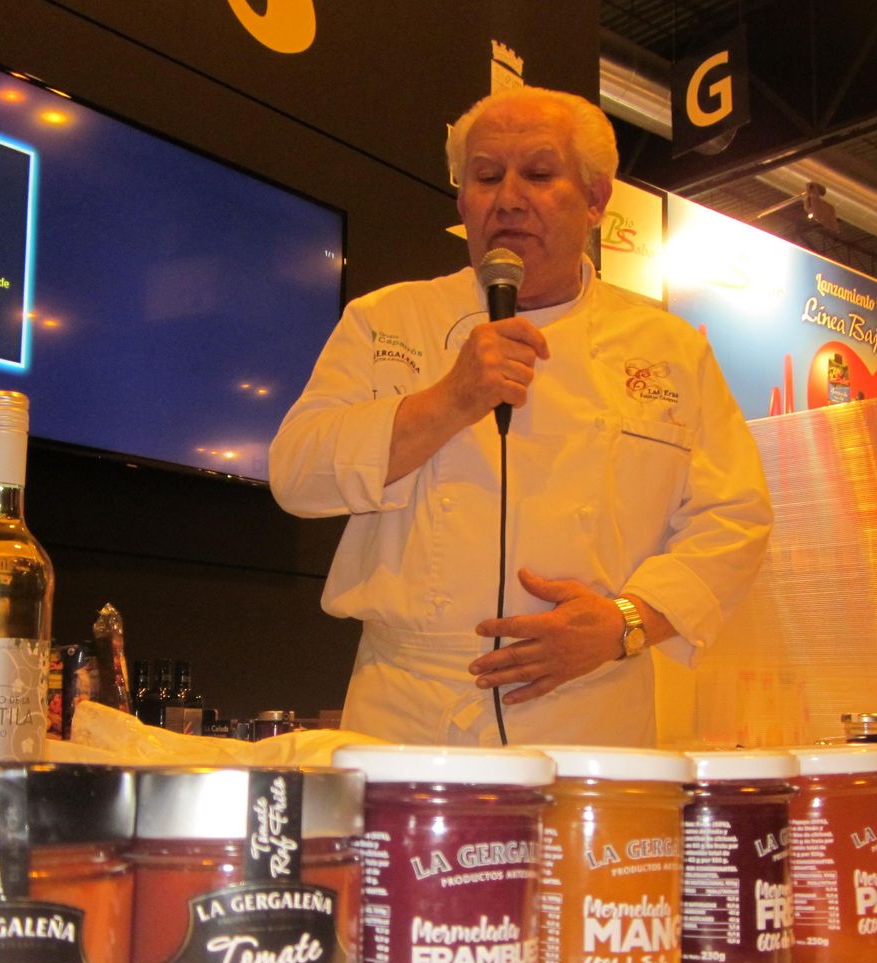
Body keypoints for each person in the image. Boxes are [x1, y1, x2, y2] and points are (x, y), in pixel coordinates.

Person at [268, 85, 772, 746]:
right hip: (410, 712)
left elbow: (734, 517)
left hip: (589, 713)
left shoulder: (669, 350)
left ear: (596, 199)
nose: (508, 198)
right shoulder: (388, 319)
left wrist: (626, 621)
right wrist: (450, 399)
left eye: (537, 174)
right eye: (485, 177)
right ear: (462, 201)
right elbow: (296, 474)